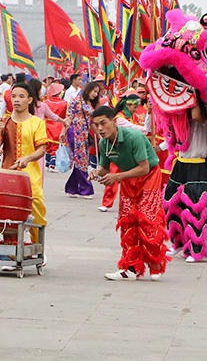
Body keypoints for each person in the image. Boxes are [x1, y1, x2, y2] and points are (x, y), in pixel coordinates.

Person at [90, 105, 167, 280]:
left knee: (148, 220)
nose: (100, 129)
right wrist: (96, 172)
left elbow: (144, 167)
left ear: (114, 122)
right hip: (127, 179)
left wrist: (116, 176)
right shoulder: (104, 143)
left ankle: (156, 264)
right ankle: (131, 268)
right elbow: (104, 167)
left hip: (149, 177)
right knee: (127, 221)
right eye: (96, 125)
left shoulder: (134, 137)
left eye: (103, 123)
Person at [0, 82, 50, 243]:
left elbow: (42, 149)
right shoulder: (6, 121)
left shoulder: (37, 123)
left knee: (36, 207)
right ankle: (13, 252)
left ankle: (37, 247)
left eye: (21, 97)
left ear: (30, 100)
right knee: (9, 212)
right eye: (14, 96)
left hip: (31, 176)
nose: (16, 100)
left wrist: (28, 158)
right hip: (8, 174)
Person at [64, 80, 100, 199]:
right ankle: (86, 189)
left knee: (80, 160)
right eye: (94, 91)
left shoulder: (92, 104)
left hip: (84, 134)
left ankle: (72, 188)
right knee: (82, 161)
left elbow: (93, 122)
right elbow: (69, 117)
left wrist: (99, 135)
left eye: (97, 92)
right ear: (88, 89)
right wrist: (63, 132)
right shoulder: (76, 100)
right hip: (75, 132)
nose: (95, 94)